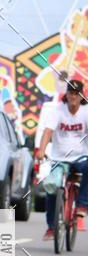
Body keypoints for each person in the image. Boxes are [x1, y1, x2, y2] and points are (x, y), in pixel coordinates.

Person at [37, 79, 88, 241]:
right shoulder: (58, 110)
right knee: (52, 188)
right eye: (70, 93)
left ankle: (82, 205)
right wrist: (41, 150)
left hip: (81, 157)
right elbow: (47, 132)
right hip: (59, 158)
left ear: (81, 96)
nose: (73, 96)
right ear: (66, 94)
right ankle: (51, 227)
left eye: (76, 93)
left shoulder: (86, 112)